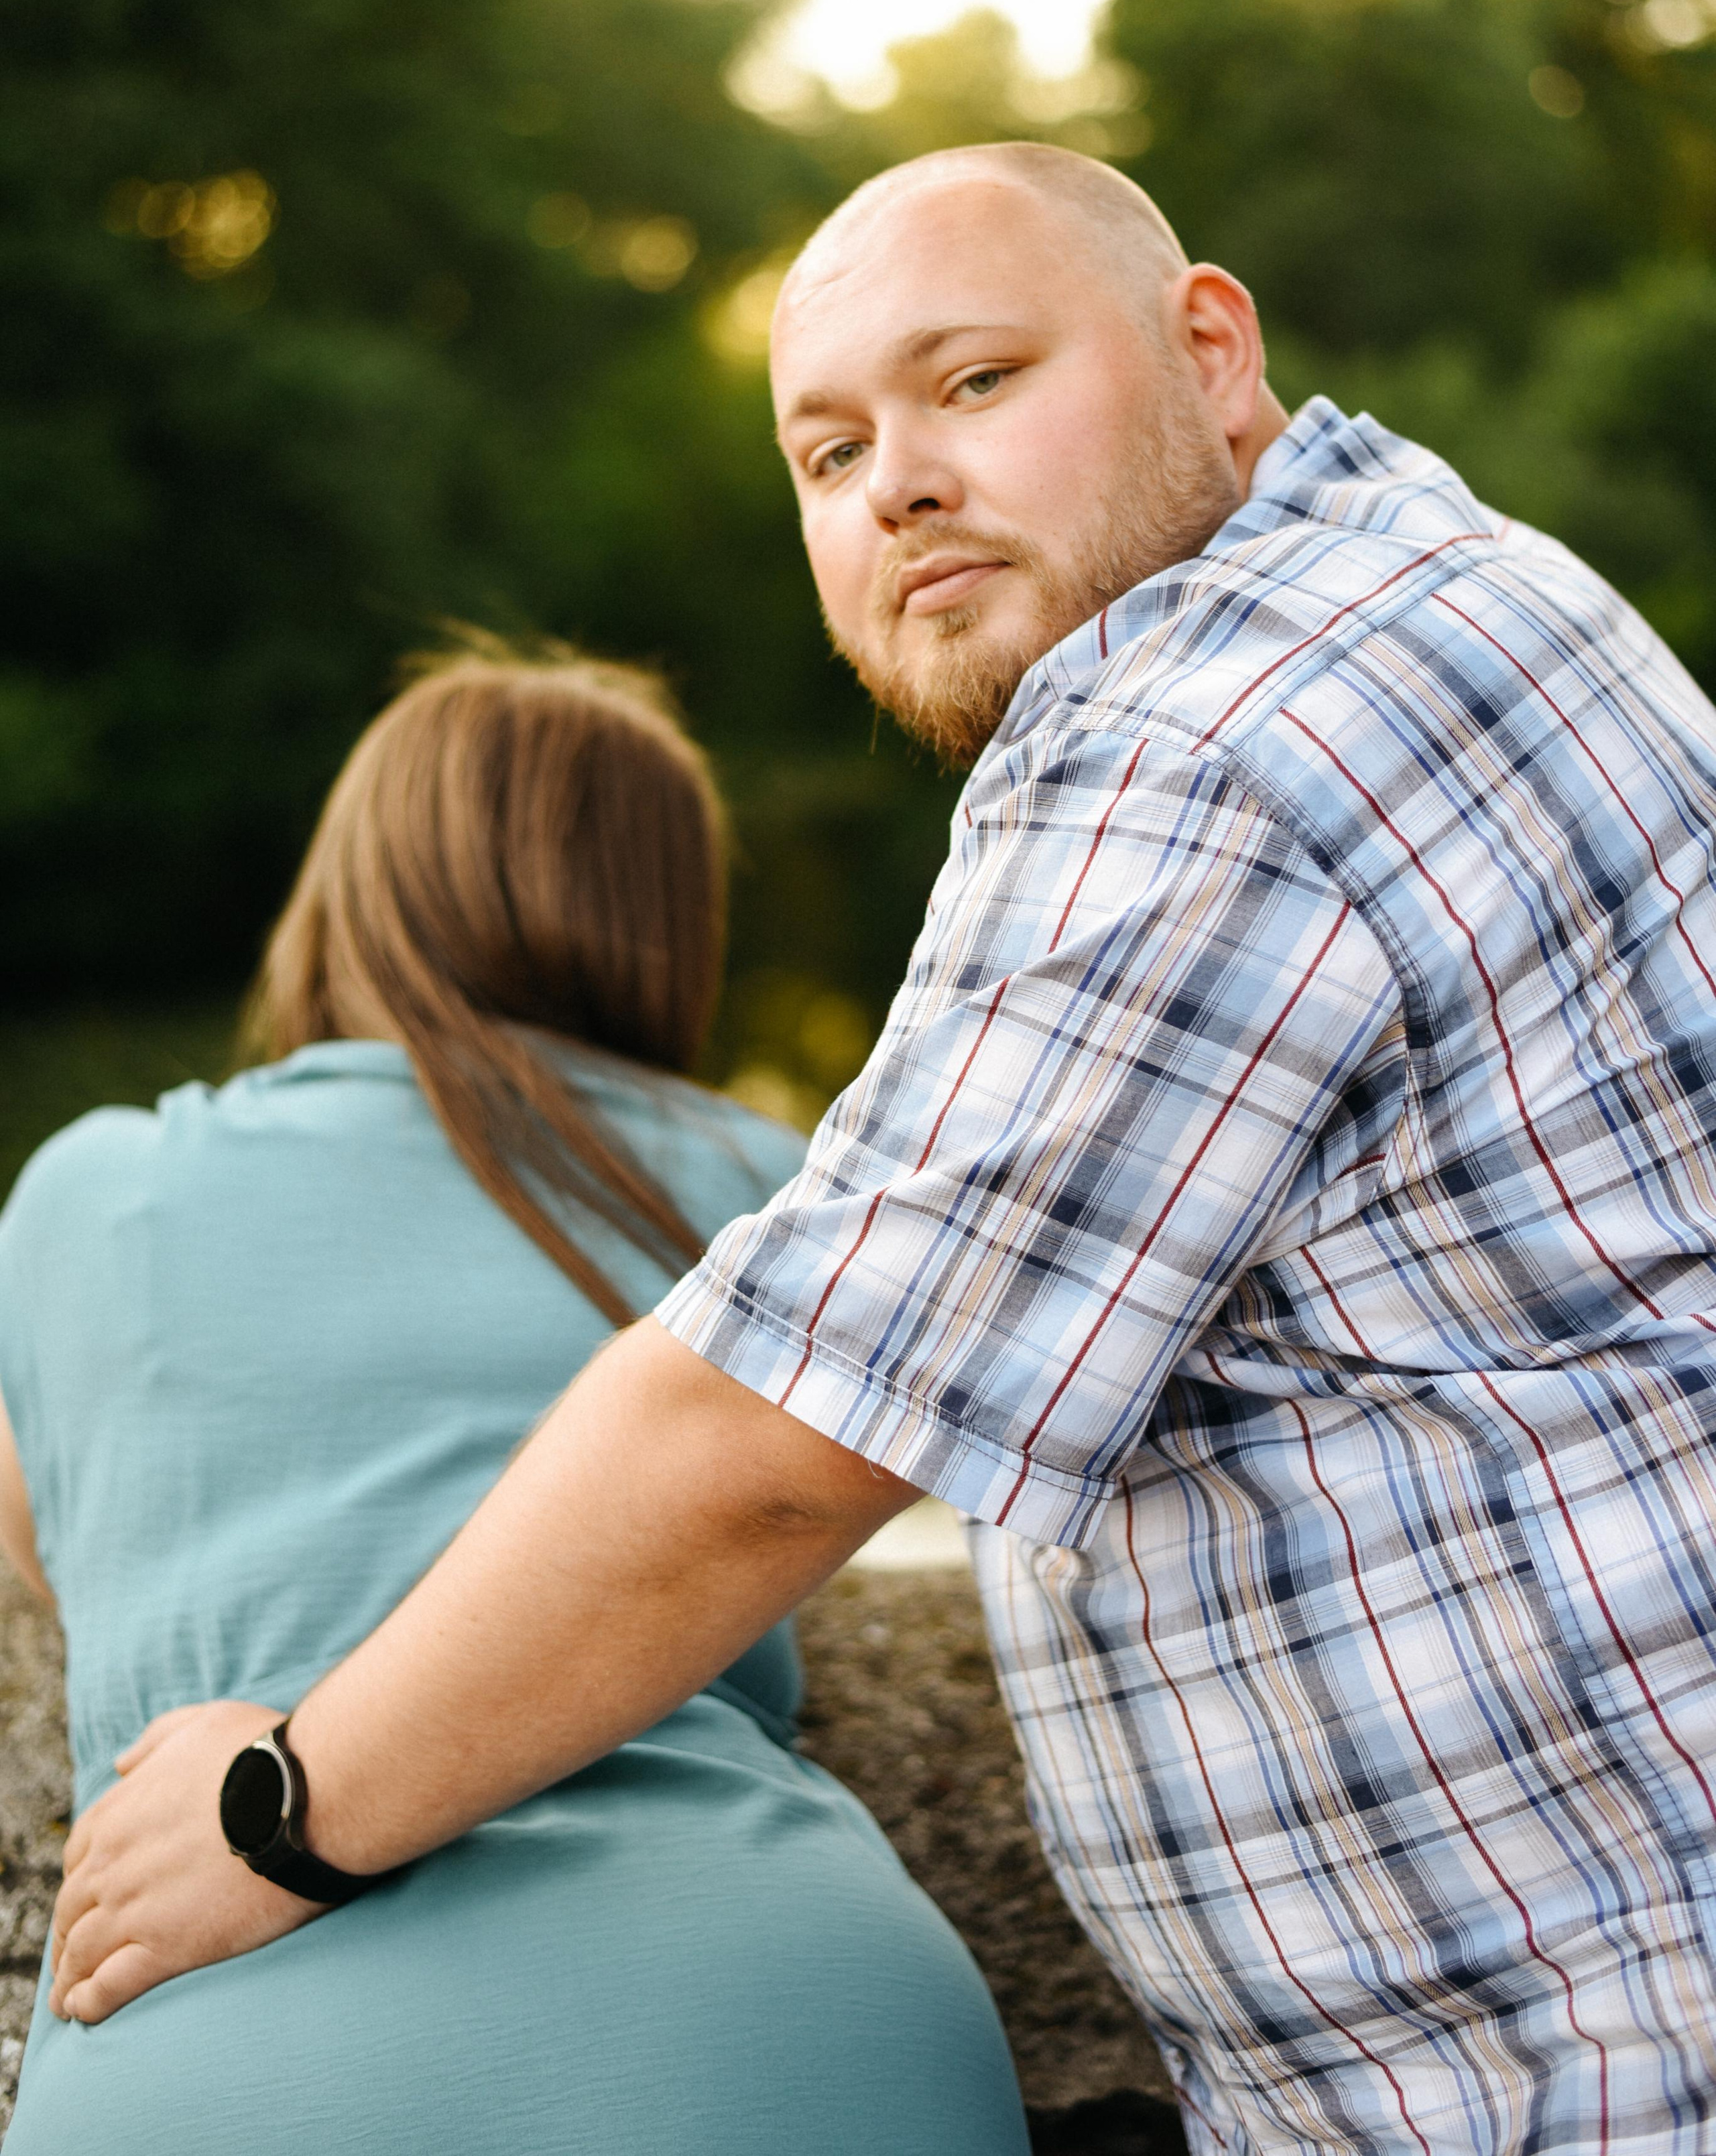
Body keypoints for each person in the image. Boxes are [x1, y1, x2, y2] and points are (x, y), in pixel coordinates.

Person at [48, 139, 1716, 2154]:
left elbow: (775, 1436)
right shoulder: (1444, 580)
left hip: (1606, 2061)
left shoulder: (1203, 739)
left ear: (1212, 350)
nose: (897, 480)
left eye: (978, 383)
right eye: (827, 454)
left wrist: (289, 1805)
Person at [0, 645, 1031, 2155]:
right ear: (668, 924)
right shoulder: (773, 1190)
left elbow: (45, 1536)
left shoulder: (93, 1190)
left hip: (228, 2031)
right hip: (780, 2019)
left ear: (352, 888)